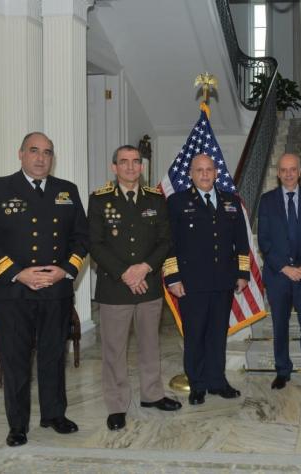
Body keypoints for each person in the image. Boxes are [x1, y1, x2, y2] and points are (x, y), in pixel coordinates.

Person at [0, 132, 88, 447]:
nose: (41, 158)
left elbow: (82, 237)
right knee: (16, 359)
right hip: (15, 291)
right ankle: (18, 425)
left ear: (53, 158)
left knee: (54, 355)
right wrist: (17, 273)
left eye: (47, 152)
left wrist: (65, 270)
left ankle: (54, 414)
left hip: (56, 291)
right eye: (34, 151)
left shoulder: (67, 191)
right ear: (21, 154)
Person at [88, 145, 181, 432]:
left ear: (142, 167)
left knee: (150, 345)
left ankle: (152, 394)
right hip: (115, 288)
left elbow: (165, 241)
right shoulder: (99, 200)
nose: (130, 167)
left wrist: (144, 268)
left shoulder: (156, 199)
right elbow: (95, 243)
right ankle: (117, 405)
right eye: (124, 162)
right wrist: (126, 272)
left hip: (148, 286)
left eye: (135, 162)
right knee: (114, 350)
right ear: (114, 167)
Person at [164, 153, 249, 406]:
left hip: (223, 282)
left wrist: (243, 274)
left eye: (208, 170)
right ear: (191, 174)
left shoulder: (231, 202)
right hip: (191, 284)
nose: (204, 174)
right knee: (195, 335)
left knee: (217, 335)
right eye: (199, 170)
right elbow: (170, 244)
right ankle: (197, 384)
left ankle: (217, 381)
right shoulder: (178, 202)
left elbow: (241, 242)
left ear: (216, 173)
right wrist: (173, 277)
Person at [257, 153, 301, 390]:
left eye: (293, 169)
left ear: (300, 171)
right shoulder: (266, 201)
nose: (288, 174)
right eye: (284, 170)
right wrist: (286, 268)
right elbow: (264, 242)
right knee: (280, 325)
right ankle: (282, 370)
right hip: (278, 276)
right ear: (278, 173)